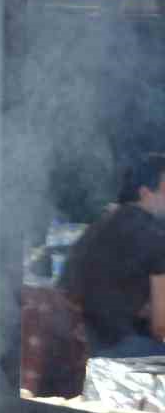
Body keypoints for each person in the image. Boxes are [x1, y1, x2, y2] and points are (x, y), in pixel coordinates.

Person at [60, 152, 165, 358]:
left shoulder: (101, 224)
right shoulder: (156, 237)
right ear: (145, 193)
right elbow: (161, 327)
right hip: (117, 350)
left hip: (72, 344)